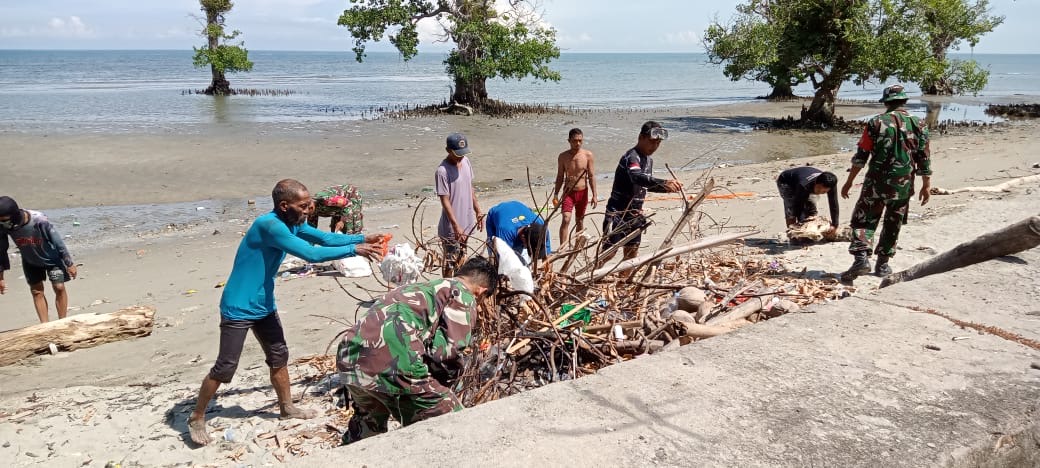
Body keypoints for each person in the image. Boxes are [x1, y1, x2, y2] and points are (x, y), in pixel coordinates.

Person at [188, 179, 387, 446]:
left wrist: (362, 237)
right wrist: (355, 249)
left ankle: (286, 407)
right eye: (303, 206)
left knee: (279, 356)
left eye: (309, 204)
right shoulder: (269, 226)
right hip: (237, 306)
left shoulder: (293, 224)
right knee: (226, 367)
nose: (309, 210)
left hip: (263, 305)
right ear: (284, 206)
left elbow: (325, 238)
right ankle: (197, 416)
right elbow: (311, 255)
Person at [336, 256, 498, 445]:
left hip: (349, 357)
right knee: (452, 420)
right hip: (392, 360)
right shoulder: (462, 294)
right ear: (481, 291)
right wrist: (455, 377)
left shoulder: (418, 289)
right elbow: (446, 351)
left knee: (368, 423)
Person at [840, 84, 932, 281]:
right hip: (903, 183)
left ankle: (861, 257)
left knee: (864, 219)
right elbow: (924, 157)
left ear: (886, 102)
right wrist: (926, 184)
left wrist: (849, 181)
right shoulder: (919, 123)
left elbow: (861, 156)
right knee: (894, 221)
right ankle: (882, 264)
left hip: (876, 181)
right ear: (904, 101)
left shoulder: (875, 123)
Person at [600, 121, 683, 264]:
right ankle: (592, 276)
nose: (655, 146)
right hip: (618, 212)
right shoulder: (632, 157)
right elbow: (636, 177)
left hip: (635, 213)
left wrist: (667, 188)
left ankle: (623, 282)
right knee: (609, 252)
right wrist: (663, 182)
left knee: (632, 252)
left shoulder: (648, 161)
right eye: (652, 142)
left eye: (658, 143)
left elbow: (646, 185)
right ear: (641, 138)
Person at [0, 196, 77, 323]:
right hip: (30, 261)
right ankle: (44, 327)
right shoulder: (3, 227)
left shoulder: (39, 220)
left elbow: (57, 241)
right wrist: (1, 277)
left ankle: (62, 323)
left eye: (4, 220)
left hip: (51, 259)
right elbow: (1, 251)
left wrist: (69, 263)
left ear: (14, 216)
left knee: (59, 287)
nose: (3, 224)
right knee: (37, 292)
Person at [436, 132, 484, 277]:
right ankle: (445, 290)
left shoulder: (466, 162)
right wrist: (455, 225)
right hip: (452, 227)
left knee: (462, 259)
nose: (461, 156)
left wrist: (478, 211)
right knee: (450, 263)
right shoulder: (442, 171)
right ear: (448, 150)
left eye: (463, 153)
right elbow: (444, 200)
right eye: (457, 154)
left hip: (467, 221)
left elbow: (470, 187)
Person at [552, 128, 597, 247]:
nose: (577, 143)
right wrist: (556, 194)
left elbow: (591, 176)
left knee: (580, 220)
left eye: (580, 141)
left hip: (583, 192)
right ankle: (562, 248)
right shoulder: (563, 156)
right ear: (569, 140)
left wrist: (595, 195)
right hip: (568, 193)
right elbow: (560, 176)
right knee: (566, 219)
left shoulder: (588, 155)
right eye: (574, 141)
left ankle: (578, 246)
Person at [485, 200, 551, 265]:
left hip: (516, 207)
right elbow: (502, 261)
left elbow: (547, 257)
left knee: (524, 265)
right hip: (495, 217)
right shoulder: (505, 232)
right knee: (498, 261)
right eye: (527, 246)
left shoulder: (542, 229)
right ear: (523, 237)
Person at [776, 166, 840, 234]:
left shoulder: (831, 184)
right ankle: (792, 234)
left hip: (805, 182)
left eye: (824, 191)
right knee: (791, 210)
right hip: (786, 181)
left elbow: (833, 204)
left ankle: (810, 230)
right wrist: (799, 226)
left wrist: (835, 225)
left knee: (811, 210)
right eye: (818, 188)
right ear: (815, 182)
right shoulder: (804, 185)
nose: (820, 191)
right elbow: (798, 205)